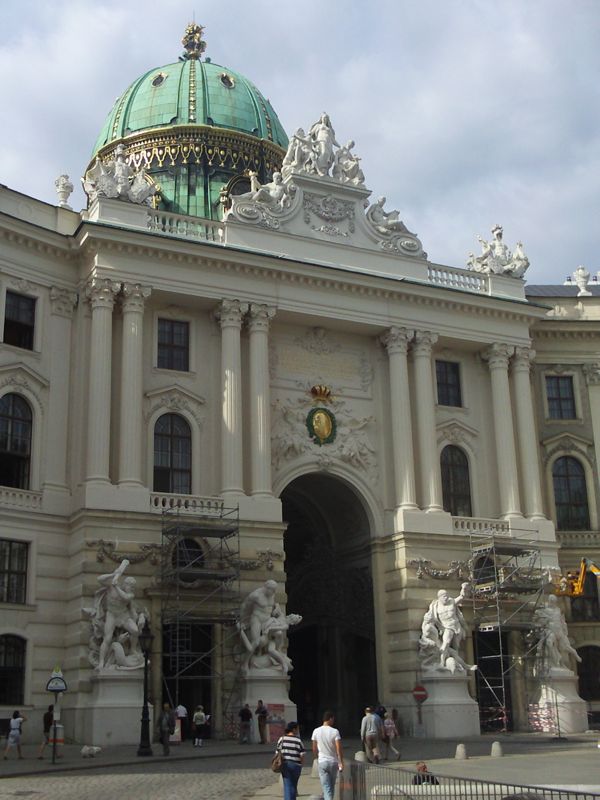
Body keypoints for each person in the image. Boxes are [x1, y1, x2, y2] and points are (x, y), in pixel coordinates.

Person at [311, 710, 344, 800]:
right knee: (331, 786)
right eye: (333, 719)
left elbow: (314, 748)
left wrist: (316, 758)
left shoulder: (316, 731)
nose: (334, 721)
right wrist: (341, 761)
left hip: (322, 761)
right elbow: (338, 748)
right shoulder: (335, 731)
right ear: (330, 719)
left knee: (326, 787)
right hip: (333, 762)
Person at [276, 721, 305, 800]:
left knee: (288, 785)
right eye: (297, 729)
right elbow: (302, 755)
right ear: (294, 729)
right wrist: (301, 765)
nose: (298, 731)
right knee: (293, 786)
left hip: (285, 765)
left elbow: (277, 752)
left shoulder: (282, 739)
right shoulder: (298, 741)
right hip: (296, 765)